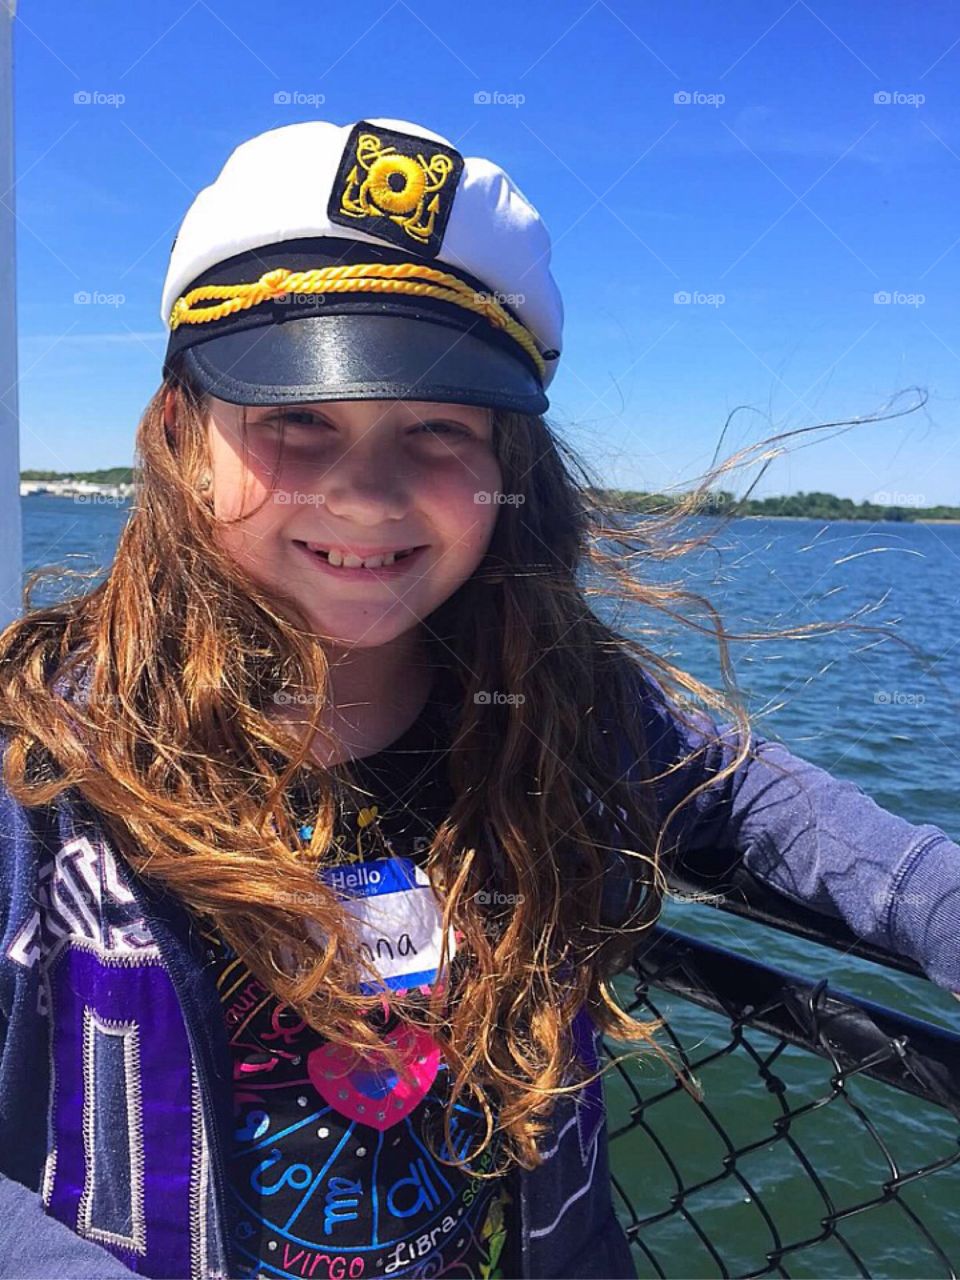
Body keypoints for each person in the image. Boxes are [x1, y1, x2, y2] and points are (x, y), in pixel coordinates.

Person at [0, 115, 957, 1280]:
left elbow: (750, 797)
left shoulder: (556, 707)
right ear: (180, 435)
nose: (366, 494)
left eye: (439, 426)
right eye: (296, 416)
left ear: (512, 468)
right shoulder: (41, 755)